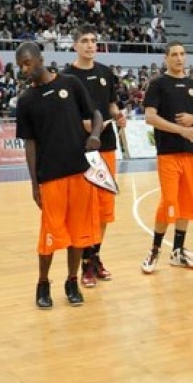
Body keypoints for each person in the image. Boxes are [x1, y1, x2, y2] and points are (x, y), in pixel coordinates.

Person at [15, 42, 103, 308]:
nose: (24, 69)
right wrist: (34, 184)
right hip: (50, 177)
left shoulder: (71, 84)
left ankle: (72, 281)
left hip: (79, 172)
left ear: (41, 59)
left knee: (77, 235)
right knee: (50, 236)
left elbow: (96, 114)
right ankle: (43, 283)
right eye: (21, 65)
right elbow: (30, 145)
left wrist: (96, 135)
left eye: (28, 63)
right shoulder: (26, 100)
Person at [61, 25, 126, 288]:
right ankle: (85, 261)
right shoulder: (66, 76)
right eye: (84, 41)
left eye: (93, 41)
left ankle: (95, 257)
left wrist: (118, 115)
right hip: (81, 151)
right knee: (83, 208)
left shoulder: (105, 73)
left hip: (107, 147)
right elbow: (64, 115)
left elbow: (110, 105)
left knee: (103, 209)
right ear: (75, 45)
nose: (90, 45)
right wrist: (81, 124)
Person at [140, 41, 193, 274]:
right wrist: (180, 129)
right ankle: (155, 250)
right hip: (168, 153)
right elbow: (150, 118)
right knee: (169, 202)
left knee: (187, 204)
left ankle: (178, 252)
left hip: (191, 154)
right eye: (174, 55)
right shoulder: (158, 85)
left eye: (182, 54)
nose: (179, 58)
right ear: (166, 58)